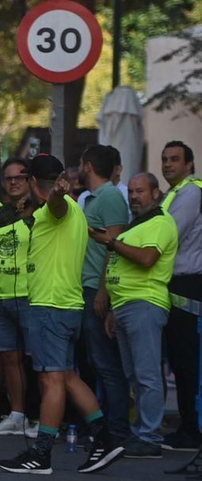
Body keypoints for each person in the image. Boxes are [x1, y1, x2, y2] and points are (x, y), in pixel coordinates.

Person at [0, 156, 117, 476]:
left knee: (51, 379)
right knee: (64, 375)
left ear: (33, 183)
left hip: (51, 306)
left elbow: (56, 205)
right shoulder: (73, 210)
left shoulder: (60, 206)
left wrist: (55, 194)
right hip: (63, 305)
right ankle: (103, 437)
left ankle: (41, 454)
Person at [96, 172, 177, 459]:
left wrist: (112, 242)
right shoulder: (137, 225)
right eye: (131, 191)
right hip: (125, 305)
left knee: (146, 375)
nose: (133, 197)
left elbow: (146, 259)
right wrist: (113, 309)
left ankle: (150, 437)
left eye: (140, 191)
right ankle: (142, 432)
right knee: (134, 375)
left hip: (145, 303)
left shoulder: (160, 222)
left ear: (156, 193)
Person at [77, 143, 132, 446]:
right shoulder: (95, 198)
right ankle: (103, 427)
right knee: (95, 362)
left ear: (88, 166)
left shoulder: (110, 196)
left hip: (97, 289)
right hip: (85, 287)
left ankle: (117, 431)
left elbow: (115, 246)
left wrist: (102, 290)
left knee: (106, 364)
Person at [0, 159, 37, 438]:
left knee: (38, 361)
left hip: (32, 296)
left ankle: (39, 417)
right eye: (9, 178)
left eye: (20, 177)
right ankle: (18, 415)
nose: (14, 182)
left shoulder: (41, 211)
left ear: (30, 181)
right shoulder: (1, 214)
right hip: (1, 296)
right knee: (8, 358)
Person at [158, 141, 200, 452]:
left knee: (186, 360)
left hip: (187, 285)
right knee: (178, 359)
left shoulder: (190, 192)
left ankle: (191, 429)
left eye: (174, 159)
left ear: (189, 164)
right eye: (164, 159)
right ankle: (188, 426)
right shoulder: (175, 193)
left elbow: (168, 233)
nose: (168, 164)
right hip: (175, 283)